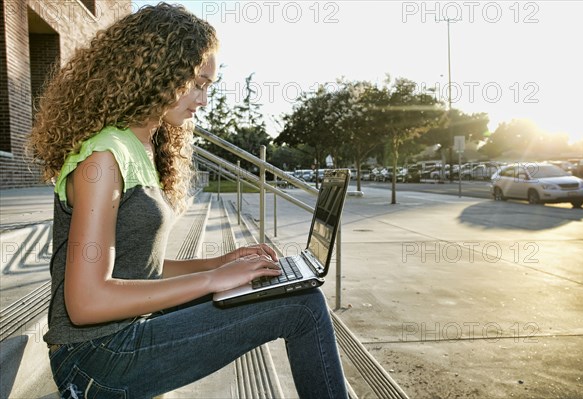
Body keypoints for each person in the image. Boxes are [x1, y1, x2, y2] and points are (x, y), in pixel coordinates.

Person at [27, 3, 348, 398]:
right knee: (303, 308)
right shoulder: (104, 157)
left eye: (209, 85)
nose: (204, 99)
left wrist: (221, 263)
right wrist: (212, 280)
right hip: (95, 359)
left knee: (292, 292)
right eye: (198, 82)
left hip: (121, 335)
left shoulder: (140, 144)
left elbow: (138, 269)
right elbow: (86, 301)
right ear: (159, 72)